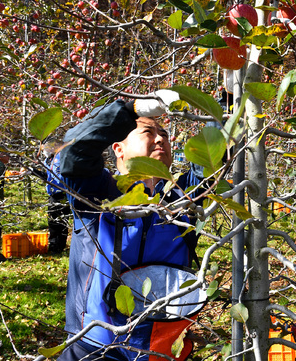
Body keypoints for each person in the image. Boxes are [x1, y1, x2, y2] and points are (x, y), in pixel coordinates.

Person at [57, 91, 201, 360]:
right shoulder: (99, 194)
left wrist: (228, 98)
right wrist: (131, 109)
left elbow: (217, 155)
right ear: (118, 148)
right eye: (147, 131)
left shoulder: (182, 198)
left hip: (163, 341)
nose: (160, 138)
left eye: (165, 135)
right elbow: (74, 152)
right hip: (96, 343)